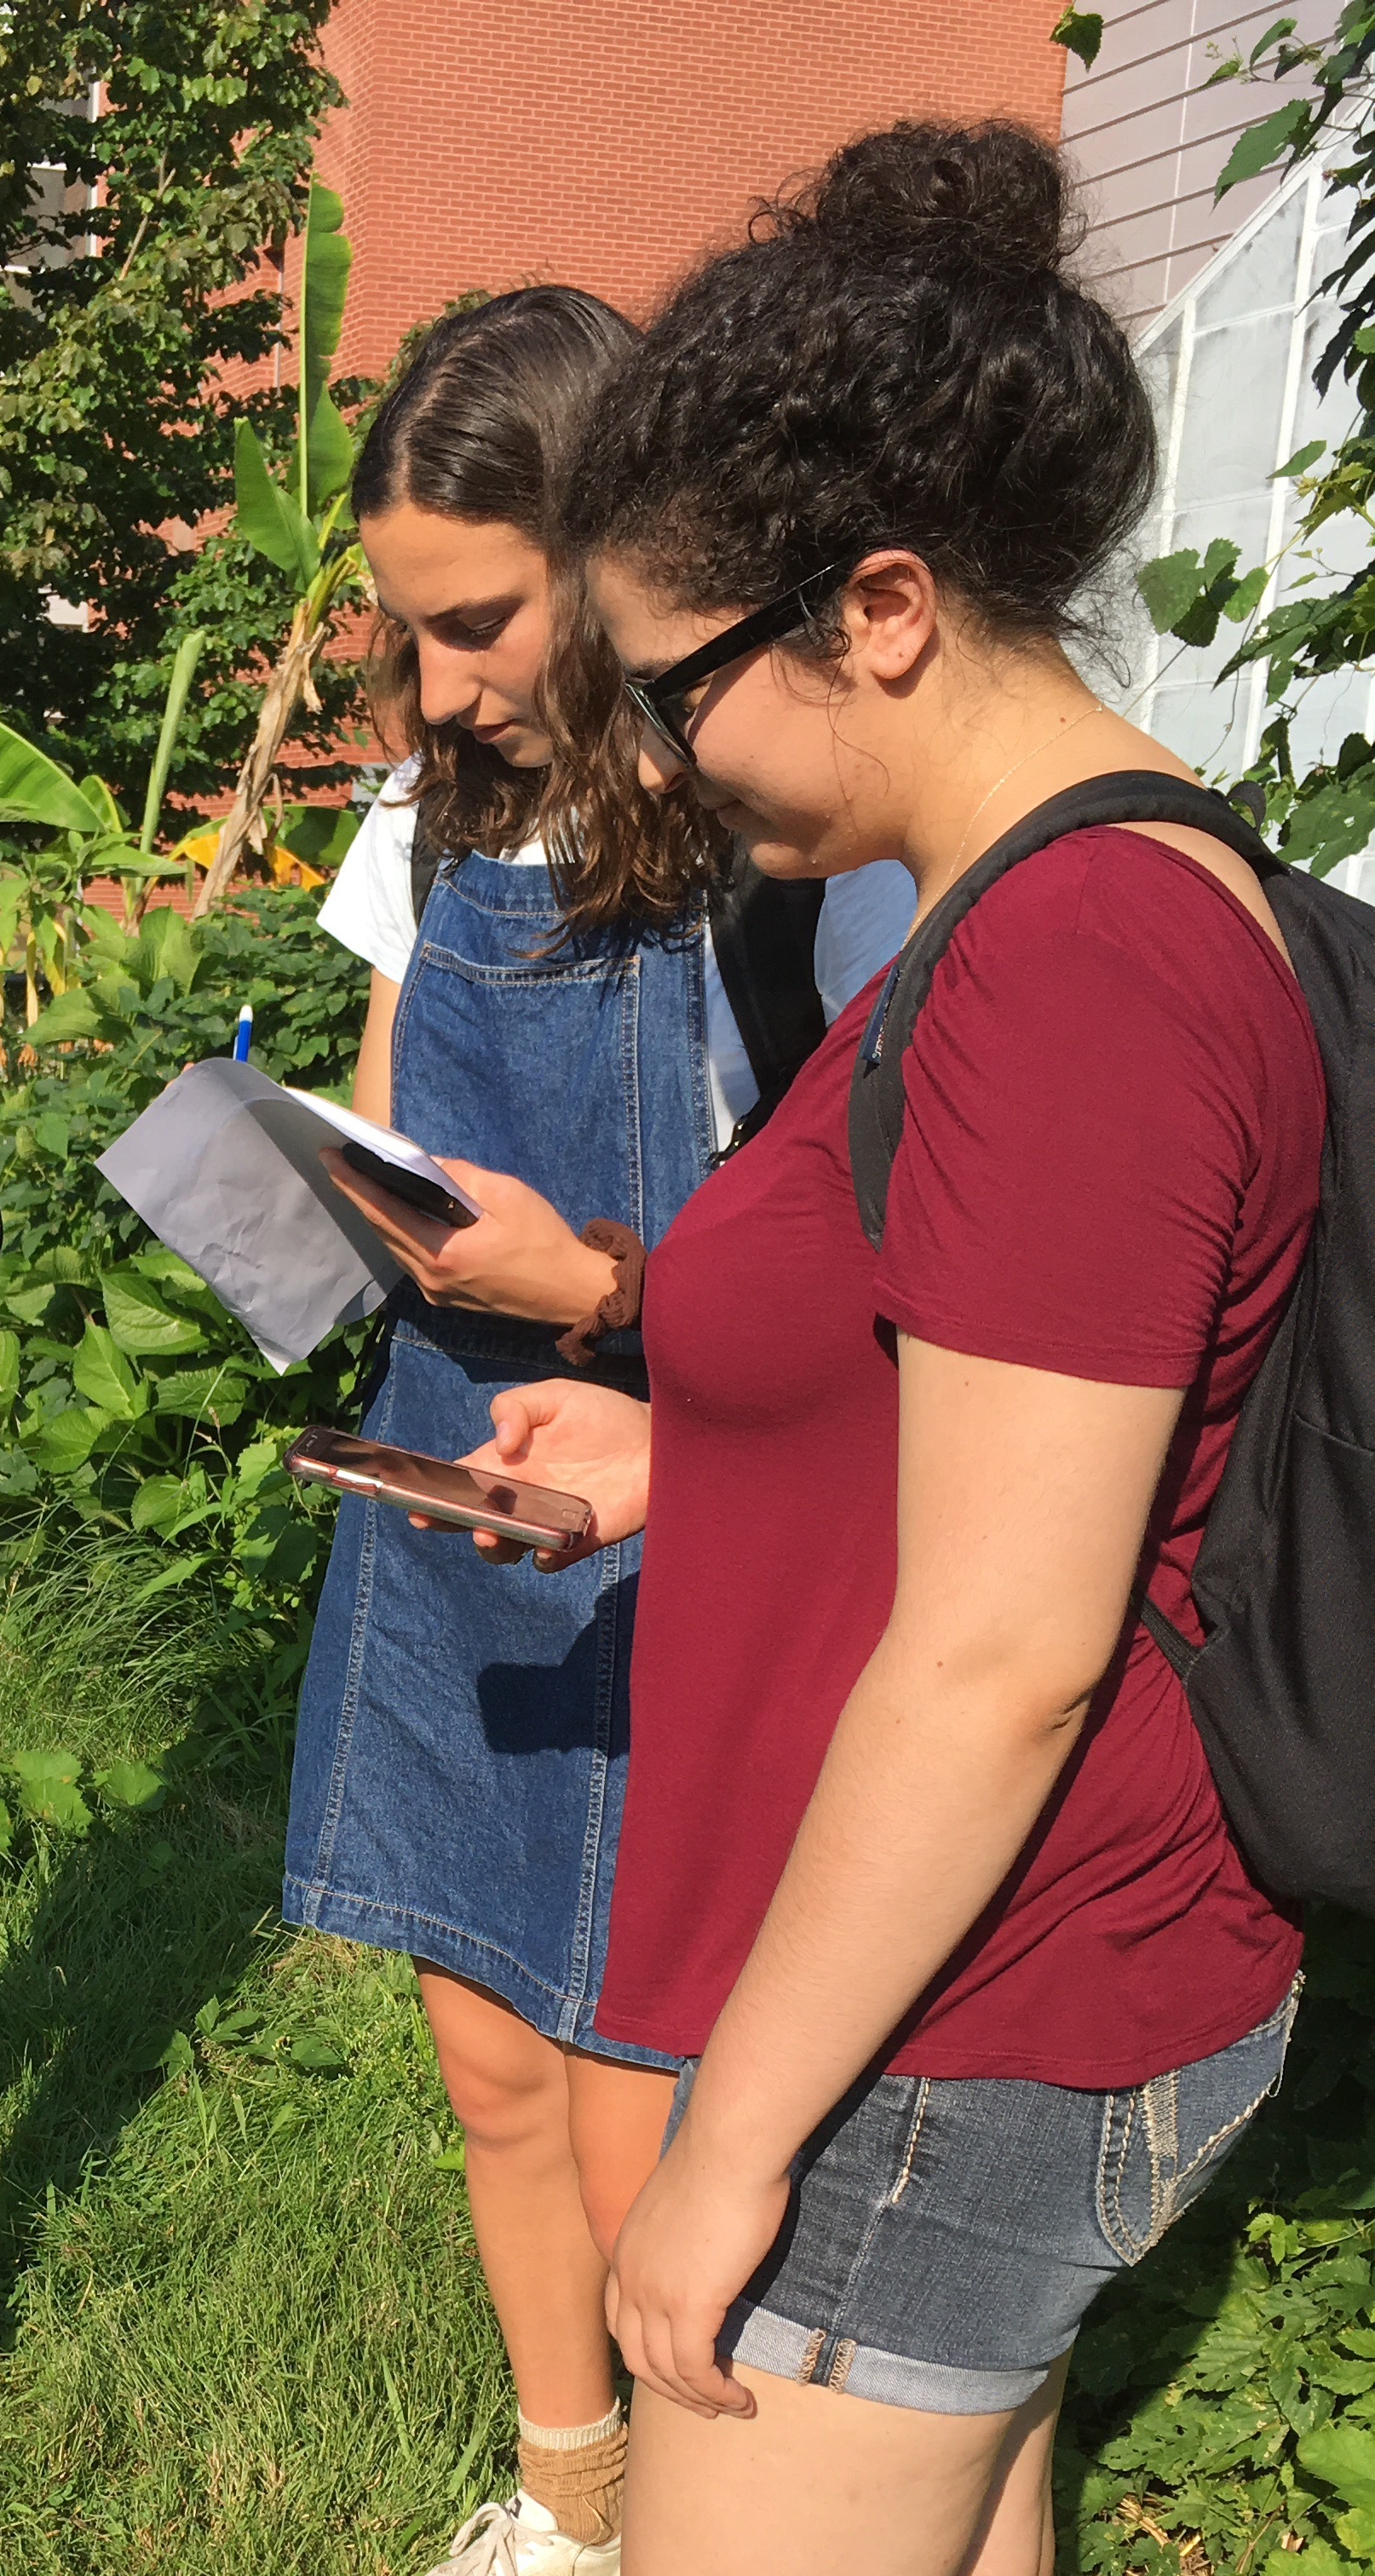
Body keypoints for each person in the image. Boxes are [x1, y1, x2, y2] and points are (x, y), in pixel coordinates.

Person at [462, 122, 1326, 2574]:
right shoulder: (1071, 895)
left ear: (884, 606)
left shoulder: (1071, 973)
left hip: (972, 1999)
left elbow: (1004, 1656)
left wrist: (719, 2159)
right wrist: (691, 1458)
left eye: (675, 686)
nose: (658, 759)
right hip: (976, 1973)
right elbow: (990, 1424)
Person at [285, 287, 912, 2576]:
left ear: (615, 551)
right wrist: (305, 1215)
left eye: (475, 625)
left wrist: (592, 1287)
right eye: (405, 635)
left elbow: (860, 1260)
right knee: (489, 2060)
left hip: (691, 1501)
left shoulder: (787, 862)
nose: (437, 688)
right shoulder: (422, 819)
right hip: (458, 1472)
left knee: (655, 2077)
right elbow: (385, 1130)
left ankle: (709, 2516)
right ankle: (567, 2492)